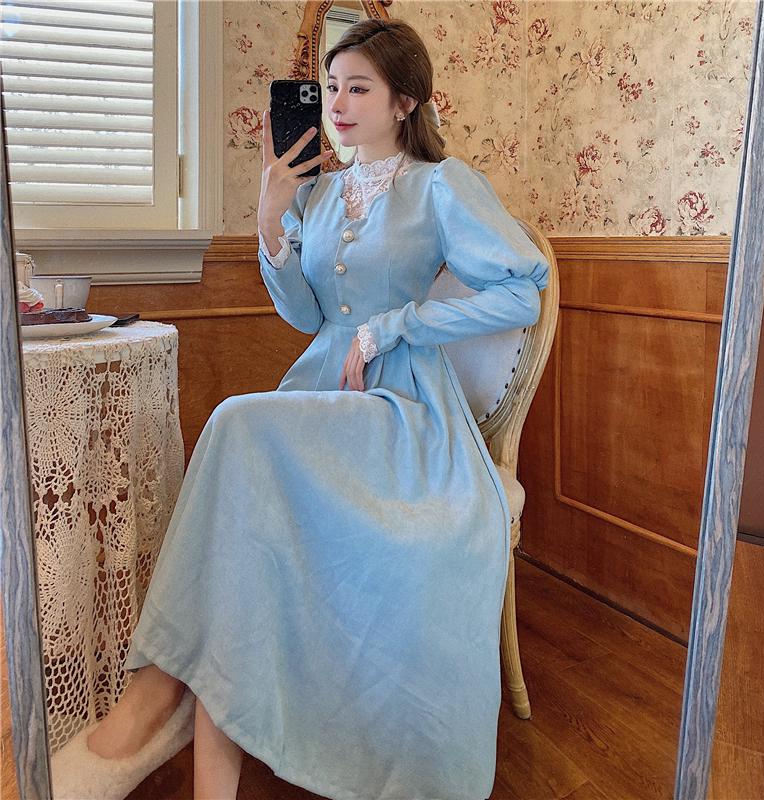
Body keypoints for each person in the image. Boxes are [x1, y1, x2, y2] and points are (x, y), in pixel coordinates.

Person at [51, 17, 549, 800]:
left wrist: (399, 325)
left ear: (406, 101)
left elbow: (520, 293)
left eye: (359, 89)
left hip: (401, 403)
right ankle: (192, 745)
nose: (338, 105)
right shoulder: (320, 193)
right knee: (242, 480)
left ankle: (153, 701)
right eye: (331, 88)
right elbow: (308, 315)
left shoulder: (441, 186)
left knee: (235, 423)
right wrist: (270, 220)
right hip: (321, 389)